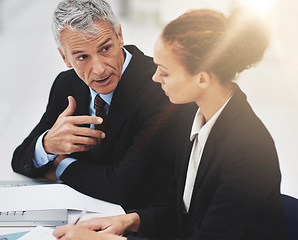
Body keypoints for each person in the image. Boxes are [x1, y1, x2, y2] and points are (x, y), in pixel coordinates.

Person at [52, 8, 288, 240]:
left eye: (164, 72)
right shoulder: (191, 117)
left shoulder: (249, 151)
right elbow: (185, 211)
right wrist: (132, 220)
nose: (155, 78)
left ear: (202, 78)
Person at [11, 0, 180, 211]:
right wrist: (47, 145)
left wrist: (60, 166)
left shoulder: (160, 87)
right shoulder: (66, 84)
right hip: (79, 210)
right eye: (82, 57)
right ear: (65, 57)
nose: (99, 69)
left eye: (105, 48)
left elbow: (124, 187)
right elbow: (20, 159)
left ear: (120, 35)